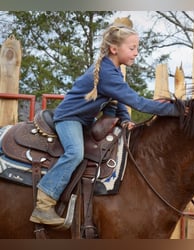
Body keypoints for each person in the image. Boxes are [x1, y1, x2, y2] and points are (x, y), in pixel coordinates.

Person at [29, 23, 182, 225]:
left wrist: (125, 119)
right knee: (75, 152)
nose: (136, 53)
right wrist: (175, 110)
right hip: (69, 119)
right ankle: (44, 204)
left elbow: (116, 100)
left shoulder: (113, 71)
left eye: (137, 48)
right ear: (114, 49)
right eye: (132, 48)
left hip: (84, 120)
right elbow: (137, 102)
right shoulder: (107, 73)